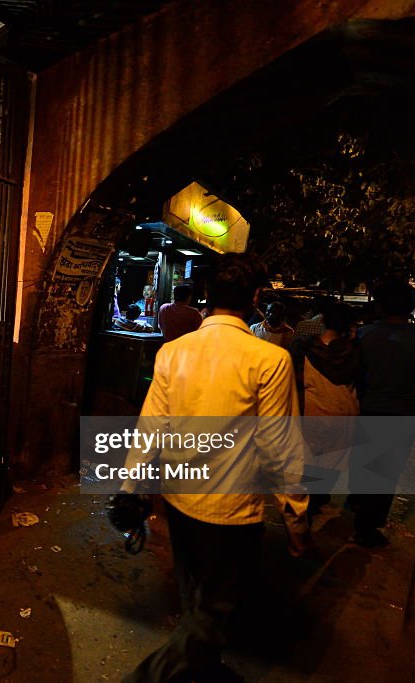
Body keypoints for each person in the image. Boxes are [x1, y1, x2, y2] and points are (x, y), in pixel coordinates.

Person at [119, 253, 311, 683]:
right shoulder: (269, 359)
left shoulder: (172, 352)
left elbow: (150, 427)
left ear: (207, 294)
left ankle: (200, 670)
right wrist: (296, 516)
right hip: (232, 511)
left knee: (196, 600)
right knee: (213, 611)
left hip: (179, 500)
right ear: (257, 298)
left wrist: (130, 488)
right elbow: (280, 445)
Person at [350, 280, 415, 548]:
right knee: (386, 472)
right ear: (412, 306)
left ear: (380, 305)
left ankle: (358, 503)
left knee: (363, 460)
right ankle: (367, 526)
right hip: (403, 414)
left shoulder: (361, 335)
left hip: (366, 409)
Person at [291, 301, 360, 516]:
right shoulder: (356, 351)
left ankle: (305, 517)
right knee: (329, 468)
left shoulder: (303, 347)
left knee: (306, 471)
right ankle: (317, 500)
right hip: (344, 417)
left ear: (321, 319)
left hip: (310, 414)